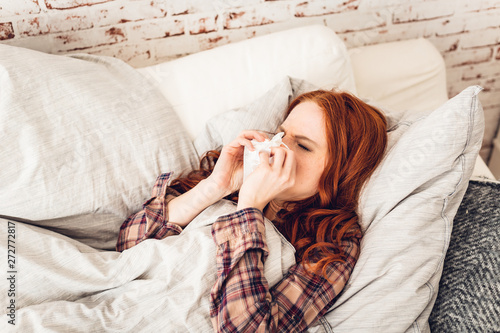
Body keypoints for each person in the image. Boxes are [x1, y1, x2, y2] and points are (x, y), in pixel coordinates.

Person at [116, 89, 388, 332]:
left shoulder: (333, 243)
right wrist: (214, 186)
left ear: (341, 173)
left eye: (303, 145)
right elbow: (128, 246)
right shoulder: (232, 180)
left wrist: (249, 209)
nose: (277, 147)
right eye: (281, 134)